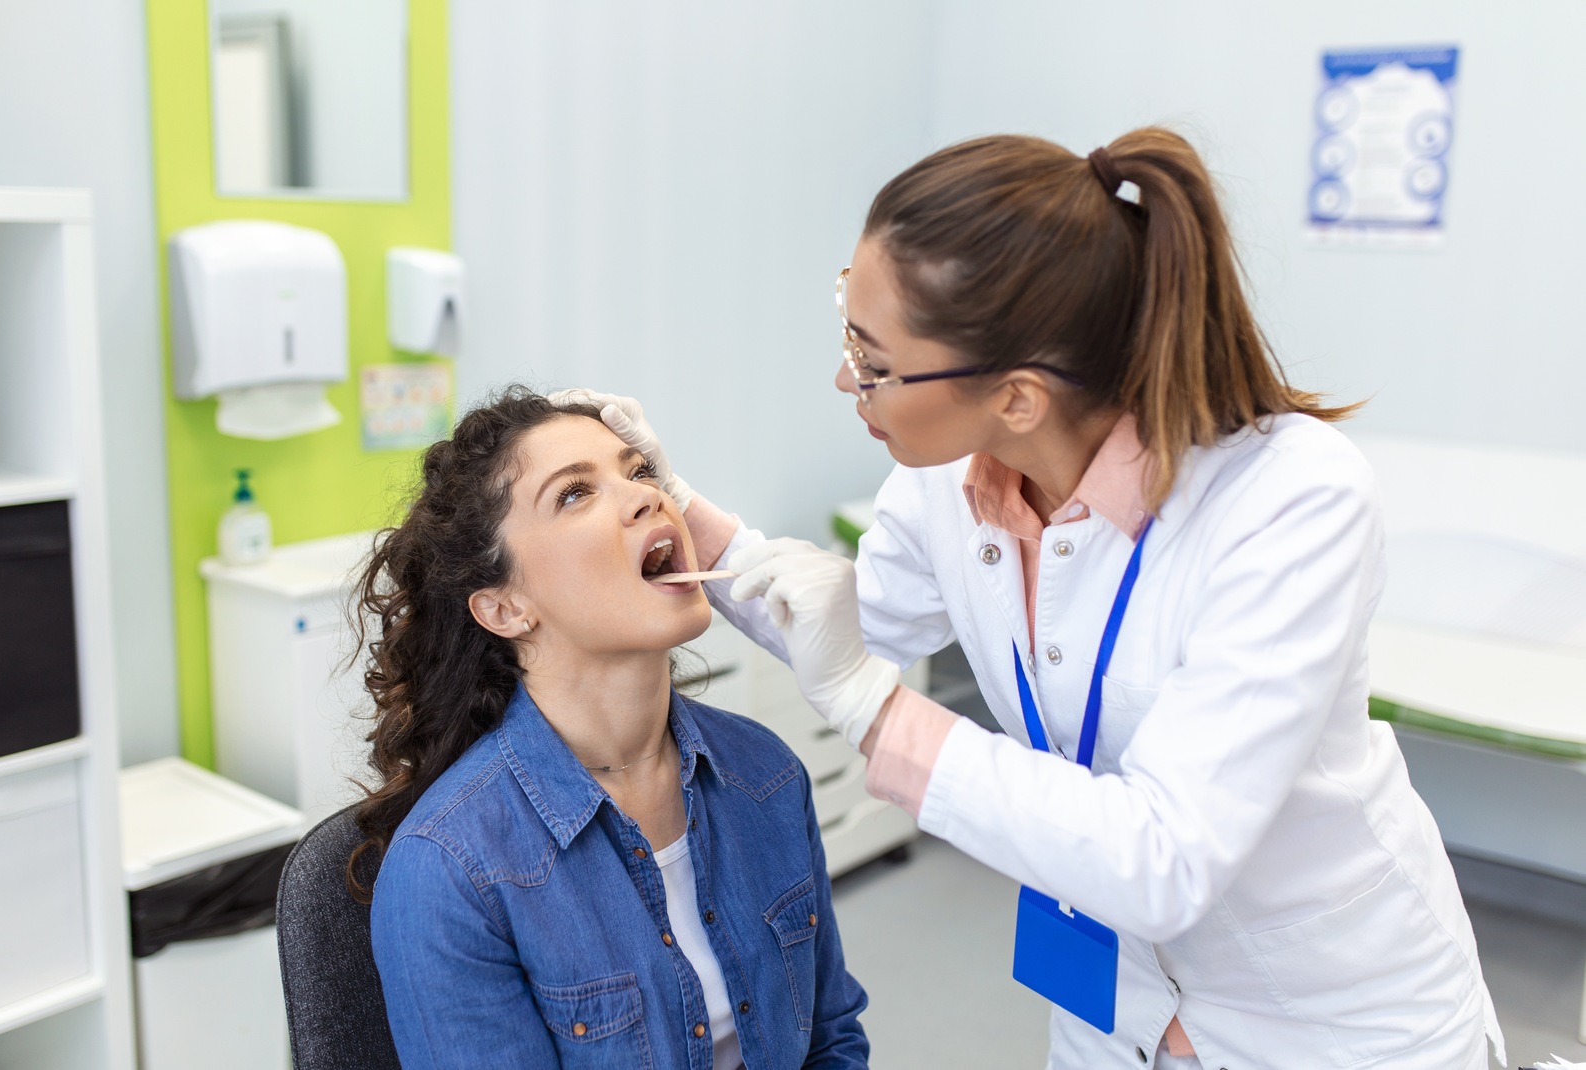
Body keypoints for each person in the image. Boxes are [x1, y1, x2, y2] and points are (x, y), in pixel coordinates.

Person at [563, 129, 1506, 1069]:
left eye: (875, 358)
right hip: (1113, 1006)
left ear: (1016, 398)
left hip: (1332, 1021)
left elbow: (1163, 857)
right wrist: (678, 507)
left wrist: (869, 707)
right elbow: (859, 620)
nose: (845, 377)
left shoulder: (1289, 498)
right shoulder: (951, 483)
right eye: (847, 327)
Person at [351, 388, 869, 1069]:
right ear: (504, 607)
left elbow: (830, 1037)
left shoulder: (764, 772)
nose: (646, 497)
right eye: (573, 494)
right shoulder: (448, 871)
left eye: (638, 471)